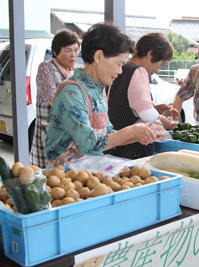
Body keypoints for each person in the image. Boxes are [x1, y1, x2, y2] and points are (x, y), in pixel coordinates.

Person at [45, 22, 158, 167]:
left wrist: (141, 134)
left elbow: (108, 132)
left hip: (88, 171)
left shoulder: (99, 90)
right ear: (98, 57)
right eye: (118, 64)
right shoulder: (71, 92)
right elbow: (88, 144)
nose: (120, 71)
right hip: (64, 177)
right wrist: (131, 132)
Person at [105, 32, 178, 159]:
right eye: (160, 64)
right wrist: (166, 122)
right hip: (130, 149)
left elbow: (124, 105)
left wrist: (154, 108)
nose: (157, 71)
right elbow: (147, 115)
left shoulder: (121, 68)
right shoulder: (138, 70)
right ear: (150, 54)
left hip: (113, 144)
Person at [29, 29, 82, 168]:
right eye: (68, 50)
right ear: (55, 52)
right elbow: (54, 101)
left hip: (73, 136)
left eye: (76, 50)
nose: (74, 55)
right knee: (49, 177)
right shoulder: (46, 68)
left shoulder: (78, 70)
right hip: (51, 135)